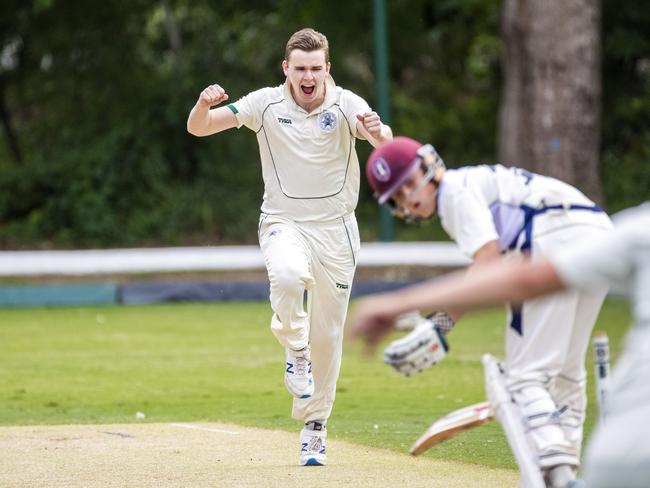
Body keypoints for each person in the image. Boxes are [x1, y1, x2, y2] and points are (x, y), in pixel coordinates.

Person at [187, 28, 392, 466]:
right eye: (300, 68)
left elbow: (385, 141)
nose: (308, 76)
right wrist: (203, 105)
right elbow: (199, 129)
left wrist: (377, 133)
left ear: (327, 69)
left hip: (337, 233)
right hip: (284, 221)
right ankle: (293, 349)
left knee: (329, 336)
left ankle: (315, 427)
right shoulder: (265, 102)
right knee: (285, 276)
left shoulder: (346, 103)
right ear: (287, 69)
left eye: (316, 68)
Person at [357, 136, 613, 487]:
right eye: (399, 197)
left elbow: (488, 261)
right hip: (596, 232)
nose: (410, 199)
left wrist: (441, 325)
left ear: (429, 166)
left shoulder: (454, 193)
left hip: (551, 237)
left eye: (411, 184)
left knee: (524, 376)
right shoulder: (473, 184)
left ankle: (558, 470)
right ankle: (566, 466)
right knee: (566, 371)